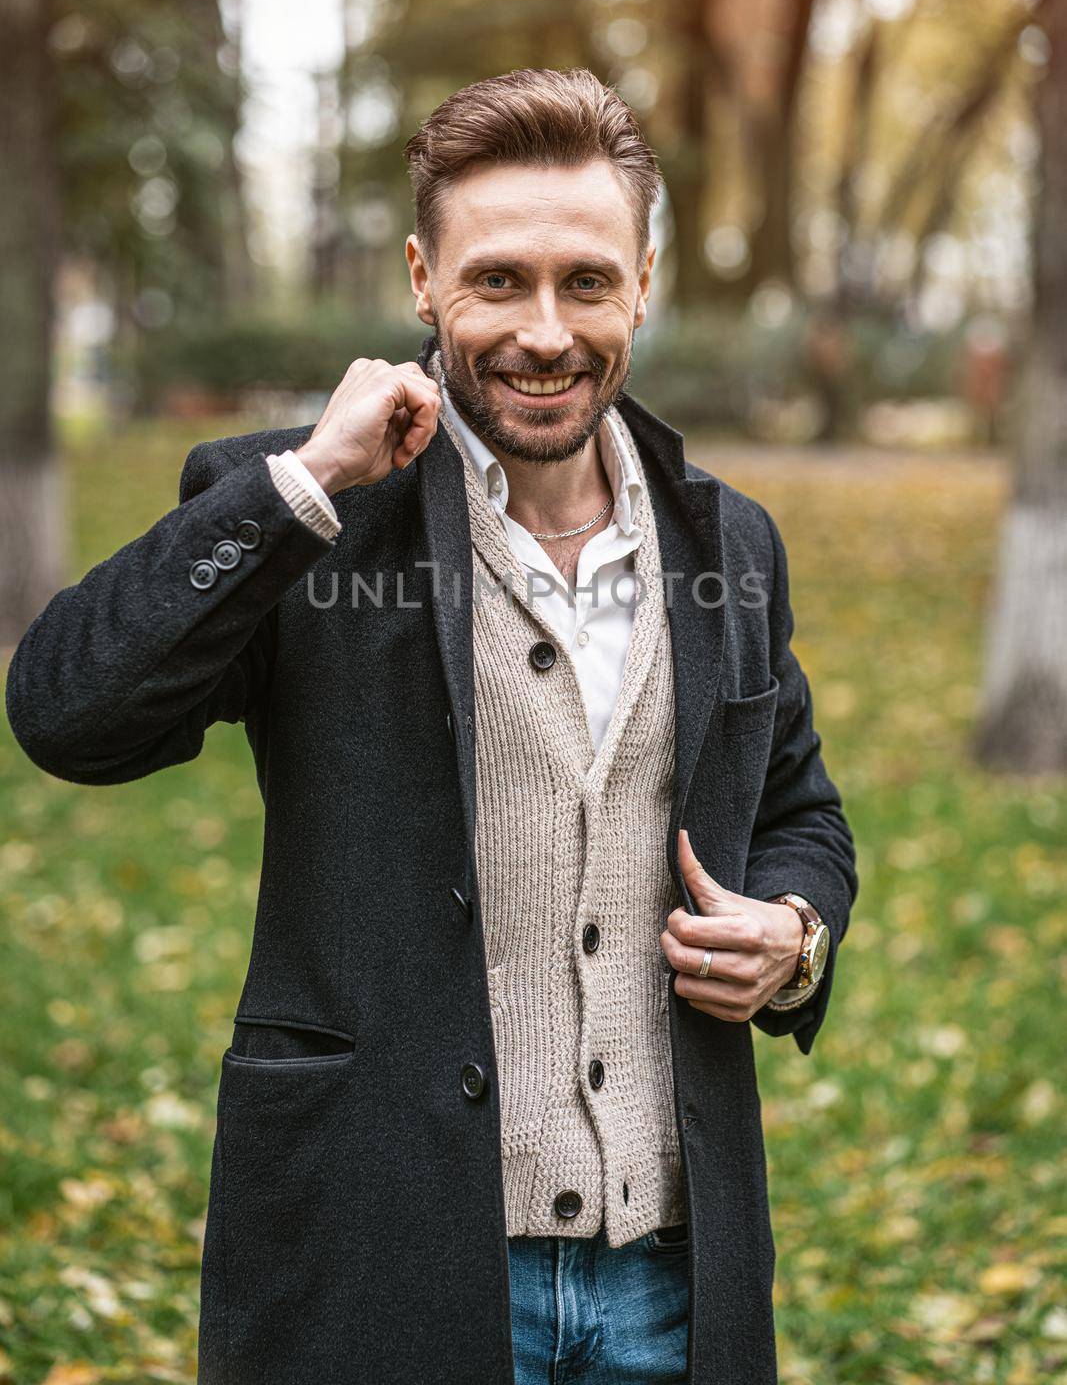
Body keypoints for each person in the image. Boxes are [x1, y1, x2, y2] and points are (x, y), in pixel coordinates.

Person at [6, 67, 858, 1385]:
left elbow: (800, 809)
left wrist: (793, 935)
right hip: (385, 1250)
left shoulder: (725, 538)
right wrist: (308, 486)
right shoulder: (305, 508)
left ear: (642, 283)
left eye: (585, 282)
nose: (543, 331)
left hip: (674, 1282)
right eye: (497, 280)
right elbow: (69, 711)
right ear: (421, 278)